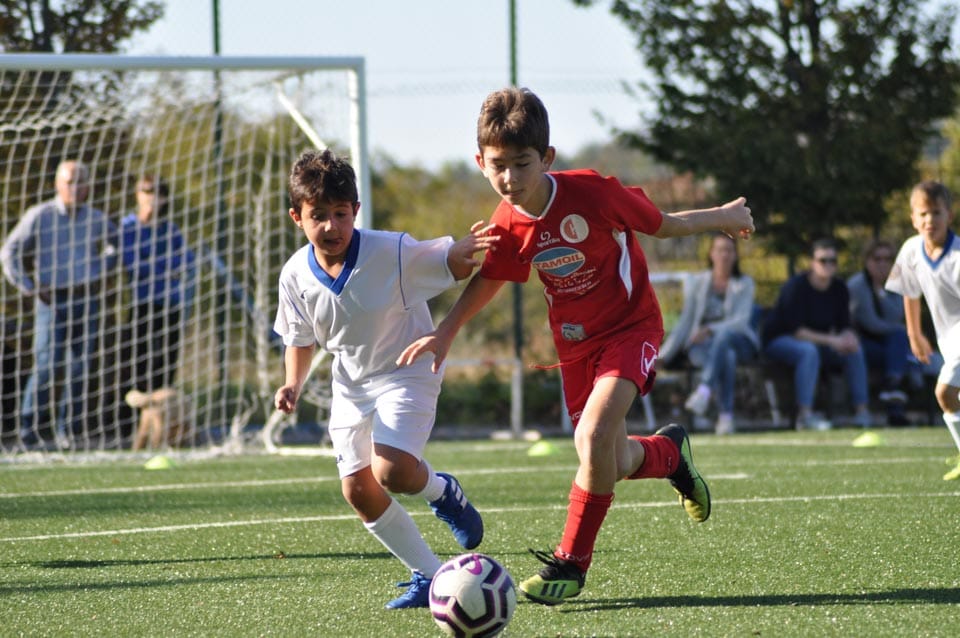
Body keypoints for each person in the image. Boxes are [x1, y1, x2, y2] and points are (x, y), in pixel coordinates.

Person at [397, 87, 755, 606]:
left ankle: (570, 563)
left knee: (593, 437)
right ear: (480, 163)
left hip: (631, 328)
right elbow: (491, 278)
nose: (509, 178)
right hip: (575, 348)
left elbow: (663, 225)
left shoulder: (593, 193)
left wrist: (723, 215)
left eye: (522, 164)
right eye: (498, 166)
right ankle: (670, 454)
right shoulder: (508, 221)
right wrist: (447, 329)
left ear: (547, 158)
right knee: (611, 458)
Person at [272, 149, 498, 609]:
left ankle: (443, 492)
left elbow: (447, 263)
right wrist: (293, 382)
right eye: (318, 215)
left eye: (341, 213)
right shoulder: (294, 275)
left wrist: (460, 253)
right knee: (357, 490)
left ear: (356, 210)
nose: (331, 226)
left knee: (392, 471)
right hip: (351, 384)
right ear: (297, 217)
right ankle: (428, 575)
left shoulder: (390, 251)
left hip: (408, 371)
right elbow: (299, 338)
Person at [0, 159, 118, 448]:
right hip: (51, 300)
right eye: (70, 182)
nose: (75, 188)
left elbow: (116, 245)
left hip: (86, 298)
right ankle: (28, 431)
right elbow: (9, 252)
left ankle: (70, 432)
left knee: (80, 367)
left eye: (81, 182)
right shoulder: (40, 215)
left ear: (88, 186)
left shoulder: (95, 219)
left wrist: (102, 268)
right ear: (57, 184)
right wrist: (28, 286)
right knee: (47, 364)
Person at [885, 181, 960, 481]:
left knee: (944, 392)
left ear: (949, 215)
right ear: (913, 219)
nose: (930, 220)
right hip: (947, 340)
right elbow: (910, 292)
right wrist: (914, 334)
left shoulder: (957, 256)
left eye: (937, 213)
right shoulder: (910, 249)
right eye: (924, 214)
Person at [762, 238, 872, 430]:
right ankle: (805, 415)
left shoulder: (839, 288)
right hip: (780, 341)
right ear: (812, 263)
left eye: (833, 261)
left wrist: (848, 337)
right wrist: (833, 340)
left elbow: (844, 325)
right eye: (823, 260)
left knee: (854, 349)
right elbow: (797, 331)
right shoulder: (796, 287)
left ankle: (862, 412)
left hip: (819, 342)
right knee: (808, 351)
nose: (828, 265)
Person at [659, 232, 759, 434]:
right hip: (703, 347)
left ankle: (704, 390)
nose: (724, 255)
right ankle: (725, 417)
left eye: (729, 250)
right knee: (726, 356)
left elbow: (740, 322)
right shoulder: (699, 283)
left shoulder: (745, 283)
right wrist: (663, 355)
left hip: (740, 341)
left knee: (724, 338)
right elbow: (686, 322)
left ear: (735, 255)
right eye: (720, 250)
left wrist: (710, 329)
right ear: (711, 254)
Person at [847, 239, 942, 426]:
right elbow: (871, 323)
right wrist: (905, 332)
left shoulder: (895, 283)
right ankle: (899, 388)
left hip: (891, 347)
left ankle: (893, 390)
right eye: (877, 258)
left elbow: (897, 314)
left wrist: (881, 294)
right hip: (864, 345)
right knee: (902, 348)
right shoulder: (857, 285)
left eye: (887, 259)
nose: (882, 263)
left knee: (909, 354)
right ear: (867, 260)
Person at [120, 174, 196, 393]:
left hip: (170, 303)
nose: (151, 197)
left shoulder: (170, 230)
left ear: (164, 199)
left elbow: (187, 261)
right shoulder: (128, 227)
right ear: (137, 195)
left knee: (165, 363)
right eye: (146, 191)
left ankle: (162, 410)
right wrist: (167, 268)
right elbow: (132, 263)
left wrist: (155, 263)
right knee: (137, 363)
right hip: (140, 303)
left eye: (157, 192)